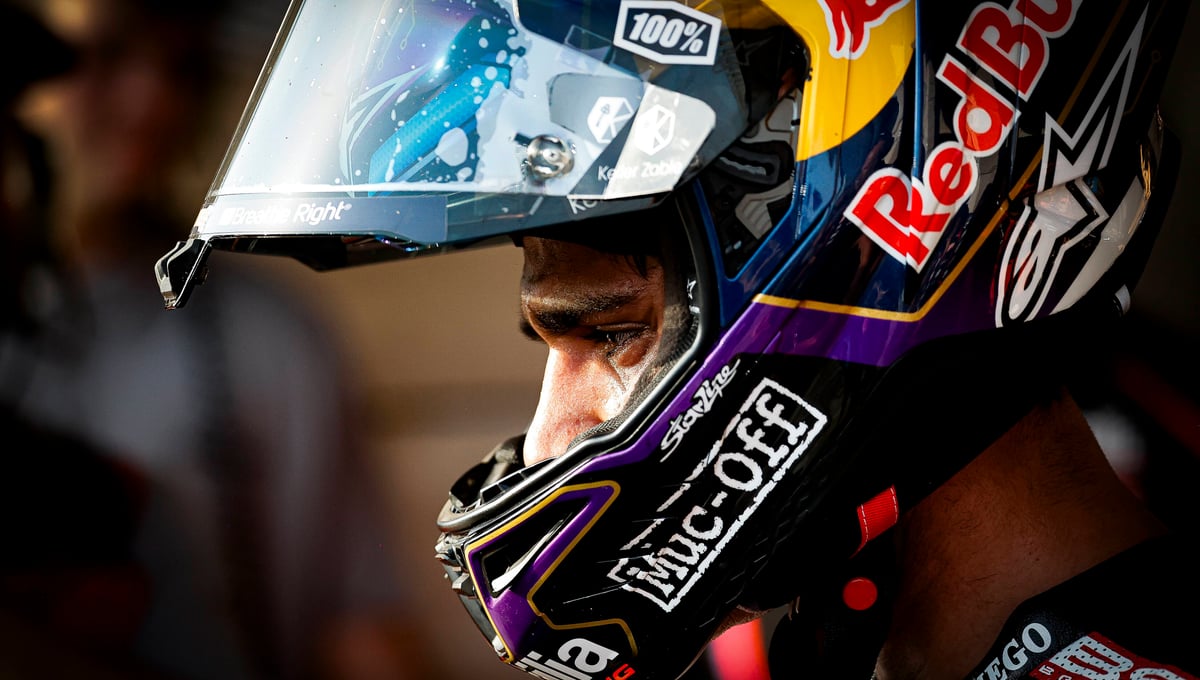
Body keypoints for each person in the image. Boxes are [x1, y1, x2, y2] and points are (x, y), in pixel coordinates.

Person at [155, 1, 1198, 679]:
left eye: (614, 332)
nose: (549, 435)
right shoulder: (801, 645)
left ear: (895, 226)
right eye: (549, 340)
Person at [3, 0, 427, 678]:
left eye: (186, 68)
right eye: (107, 55)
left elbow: (357, 628)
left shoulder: (270, 334)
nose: (152, 104)